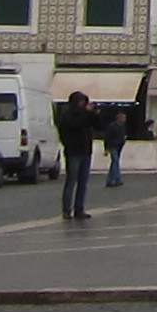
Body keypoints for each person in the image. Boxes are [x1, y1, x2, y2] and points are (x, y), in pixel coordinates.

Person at [55, 90, 99, 220]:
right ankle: (67, 209)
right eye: (81, 102)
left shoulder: (85, 115)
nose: (82, 105)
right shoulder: (67, 115)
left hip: (85, 151)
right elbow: (75, 124)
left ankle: (79, 209)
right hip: (73, 152)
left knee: (83, 183)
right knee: (71, 181)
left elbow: (98, 126)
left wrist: (94, 114)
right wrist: (87, 113)